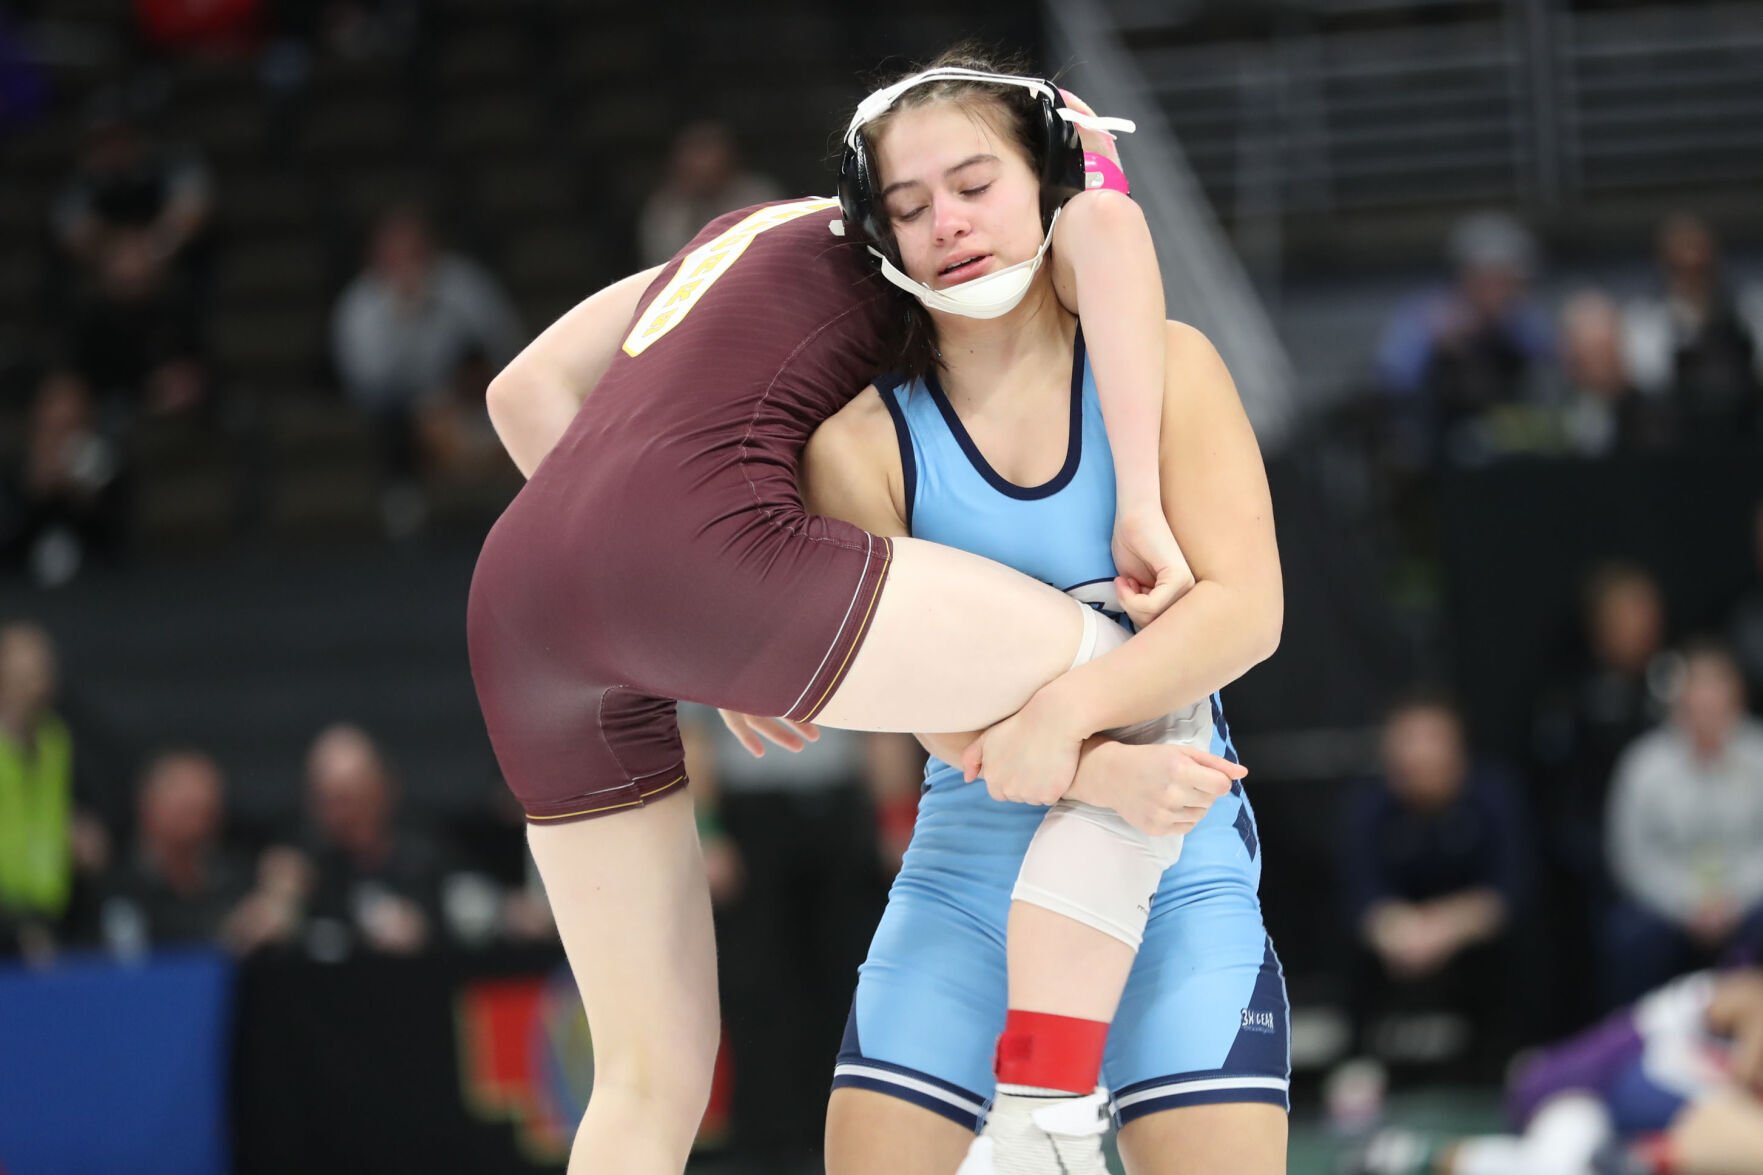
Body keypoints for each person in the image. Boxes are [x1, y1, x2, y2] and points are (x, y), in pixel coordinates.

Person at [468, 53, 1236, 1174]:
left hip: (519, 597)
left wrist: (681, 638)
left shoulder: (724, 244)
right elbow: (1109, 241)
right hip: (696, 553)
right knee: (1121, 665)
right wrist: (1094, 166)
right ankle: (1039, 1116)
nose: (945, 220)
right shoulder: (904, 242)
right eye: (922, 198)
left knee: (646, 1076)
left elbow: (520, 391)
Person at [788, 58, 1285, 1175]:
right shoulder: (860, 447)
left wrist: (1064, 712)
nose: (946, 223)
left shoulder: (1171, 369)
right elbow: (932, 712)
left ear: (1045, 184)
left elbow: (1246, 614)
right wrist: (1090, 756)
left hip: (1173, 867)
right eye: (909, 208)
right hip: (969, 872)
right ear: (880, 239)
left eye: (973, 184)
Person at [1350, 967, 1763, 1175]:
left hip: (1632, 1137)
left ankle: (1420, 1156)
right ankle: (1418, 1156)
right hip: (1581, 1098)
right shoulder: (1685, 1016)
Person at [1340, 693, 1529, 1077]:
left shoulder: (1494, 795)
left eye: (1432, 739)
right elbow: (1359, 890)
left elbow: (1512, 887)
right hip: (1398, 938)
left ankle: (1506, 1064)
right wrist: (1396, 930)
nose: (1420, 754)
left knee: (1523, 946)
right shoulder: (1369, 805)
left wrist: (1446, 927)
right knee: (1346, 943)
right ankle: (1358, 1064)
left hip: (1469, 935)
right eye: (1409, 740)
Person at [1604, 643, 1763, 1005]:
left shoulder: (1760, 754)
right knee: (1628, 933)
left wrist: (1734, 900)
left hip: (1747, 899)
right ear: (1679, 703)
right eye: (1697, 699)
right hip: (1669, 903)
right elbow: (1630, 856)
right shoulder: (1642, 765)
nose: (1707, 710)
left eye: (1717, 697)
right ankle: (1635, 1041)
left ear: (1735, 700)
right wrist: (1687, 905)